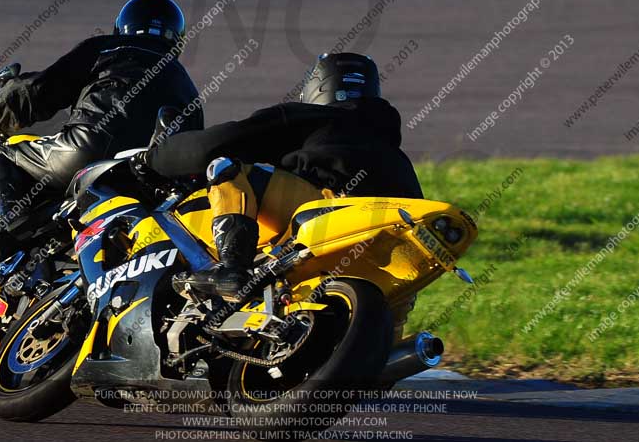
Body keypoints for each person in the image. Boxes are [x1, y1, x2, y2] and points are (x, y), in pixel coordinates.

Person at [132, 52, 422, 301]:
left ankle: (232, 268)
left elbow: (215, 143)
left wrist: (153, 158)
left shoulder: (307, 117)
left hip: (328, 208)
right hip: (391, 240)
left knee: (225, 167)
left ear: (315, 89)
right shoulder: (391, 149)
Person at [0, 0, 203, 265]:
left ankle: (5, 232)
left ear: (123, 26)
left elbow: (35, 92)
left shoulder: (108, 48)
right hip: (148, 178)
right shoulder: (188, 86)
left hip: (84, 152)